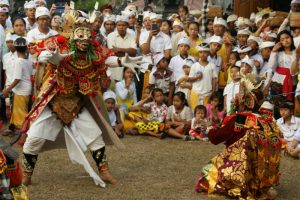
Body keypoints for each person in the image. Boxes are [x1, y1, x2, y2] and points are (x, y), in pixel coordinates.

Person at [20, 11, 142, 187]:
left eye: (87, 37)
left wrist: (123, 62)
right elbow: (38, 51)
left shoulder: (93, 48)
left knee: (95, 137)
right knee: (34, 139)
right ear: (73, 35)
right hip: (54, 102)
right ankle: (27, 175)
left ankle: (104, 171)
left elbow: (107, 59)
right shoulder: (59, 43)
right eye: (81, 37)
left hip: (77, 103)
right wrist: (48, 57)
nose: (84, 42)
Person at [195, 74, 282, 200]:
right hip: (263, 176)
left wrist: (209, 129)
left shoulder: (240, 119)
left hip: (243, 171)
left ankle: (241, 186)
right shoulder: (267, 120)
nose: (235, 99)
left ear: (244, 100)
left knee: (208, 173)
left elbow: (216, 137)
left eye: (238, 97)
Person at [2, 37, 32, 136]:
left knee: (21, 113)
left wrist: (7, 89)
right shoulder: (28, 60)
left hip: (21, 90)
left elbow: (17, 78)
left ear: (15, 47)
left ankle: (24, 135)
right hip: (26, 88)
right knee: (19, 111)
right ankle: (18, 131)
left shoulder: (19, 61)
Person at [188, 43, 217, 110]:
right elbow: (190, 79)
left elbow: (214, 80)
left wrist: (213, 93)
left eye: (205, 52)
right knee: (195, 113)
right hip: (195, 93)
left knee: (206, 113)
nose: (203, 54)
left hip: (207, 94)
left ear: (208, 53)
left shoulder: (212, 66)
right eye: (200, 52)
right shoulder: (194, 65)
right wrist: (196, 77)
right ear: (198, 54)